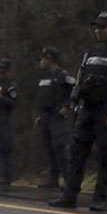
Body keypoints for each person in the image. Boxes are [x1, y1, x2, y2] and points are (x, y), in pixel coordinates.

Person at [49, 11, 107, 211]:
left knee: (106, 155)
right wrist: (75, 100)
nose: (98, 31)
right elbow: (81, 79)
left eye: (103, 27)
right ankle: (69, 196)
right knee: (77, 153)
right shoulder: (92, 52)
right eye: (96, 27)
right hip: (88, 109)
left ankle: (101, 198)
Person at [34, 47, 75, 189]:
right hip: (45, 115)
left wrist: (67, 106)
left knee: (60, 147)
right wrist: (39, 115)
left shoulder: (62, 75)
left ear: (50, 59)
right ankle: (53, 179)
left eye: (43, 59)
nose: (41, 62)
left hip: (58, 116)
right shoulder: (43, 76)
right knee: (49, 148)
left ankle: (69, 179)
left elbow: (73, 91)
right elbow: (41, 97)